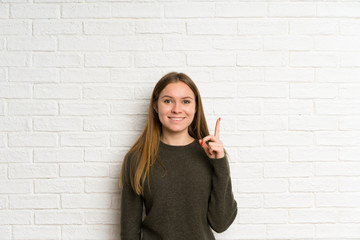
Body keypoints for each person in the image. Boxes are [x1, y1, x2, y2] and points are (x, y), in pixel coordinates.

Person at [119, 72, 237, 239]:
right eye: (168, 101)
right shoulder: (138, 158)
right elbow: (129, 231)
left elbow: (221, 223)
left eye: (186, 101)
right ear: (155, 106)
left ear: (196, 107)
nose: (176, 109)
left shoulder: (211, 155)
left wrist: (220, 163)